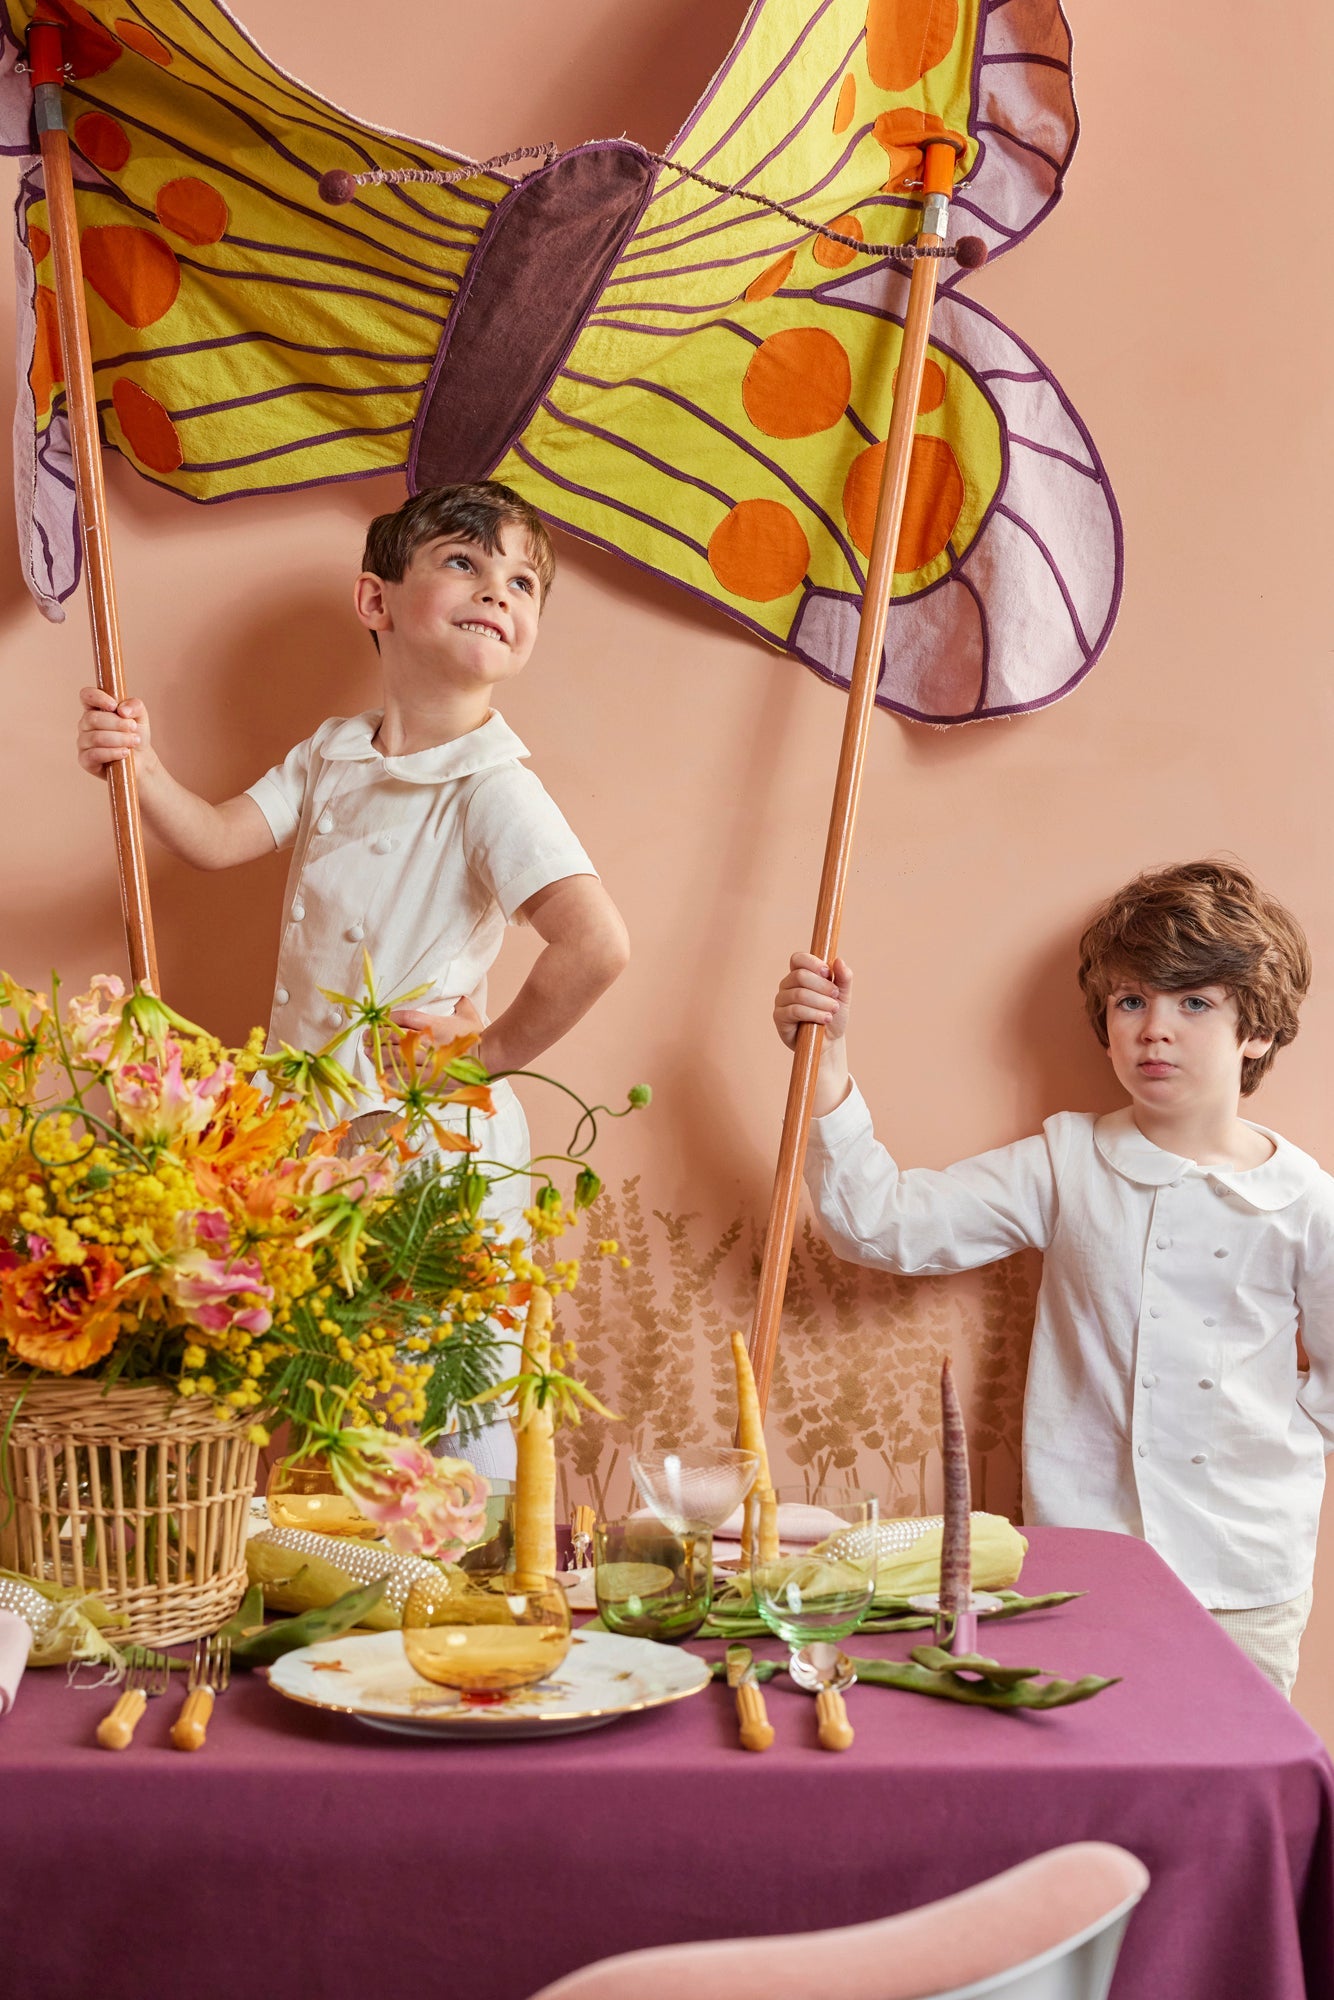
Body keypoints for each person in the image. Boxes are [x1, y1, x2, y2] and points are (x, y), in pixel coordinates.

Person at [77, 480, 630, 1476]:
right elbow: (216, 838)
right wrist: (141, 765)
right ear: (376, 600)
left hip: (430, 1150)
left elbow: (594, 944)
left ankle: (476, 1560)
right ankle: (351, 1567)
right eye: (463, 561)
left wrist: (485, 1057)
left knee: (448, 1401)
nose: (496, 590)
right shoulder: (331, 755)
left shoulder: (492, 787)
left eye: (522, 582)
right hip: (316, 1138)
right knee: (338, 1397)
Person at [773, 861, 1334, 1698]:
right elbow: (880, 1223)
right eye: (1131, 1001)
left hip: (1246, 1570)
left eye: (1194, 1003)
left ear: (1256, 1031)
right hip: (1085, 1558)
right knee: (1086, 1751)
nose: (1155, 1030)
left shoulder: (1306, 1201)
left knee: (1230, 1761)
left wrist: (1275, 1446)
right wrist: (826, 1060)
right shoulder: (1067, 1162)